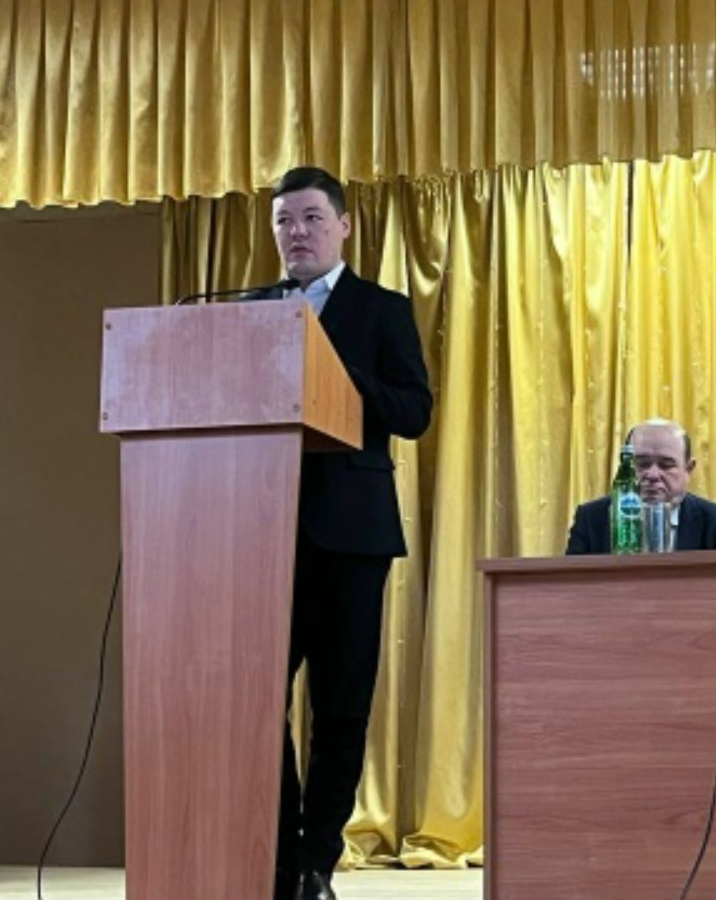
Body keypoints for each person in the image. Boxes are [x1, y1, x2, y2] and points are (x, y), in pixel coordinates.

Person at [252, 167, 432, 900]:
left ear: (344, 226)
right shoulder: (251, 309)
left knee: (341, 710)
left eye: (311, 219)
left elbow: (414, 412)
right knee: (254, 704)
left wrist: (345, 377)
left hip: (352, 539)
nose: (297, 232)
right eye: (284, 221)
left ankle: (316, 864)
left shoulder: (381, 310)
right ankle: (276, 858)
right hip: (257, 535)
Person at [566, 419, 716, 553]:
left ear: (688, 469)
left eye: (666, 465)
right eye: (641, 464)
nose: (652, 475)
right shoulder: (592, 520)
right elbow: (573, 589)